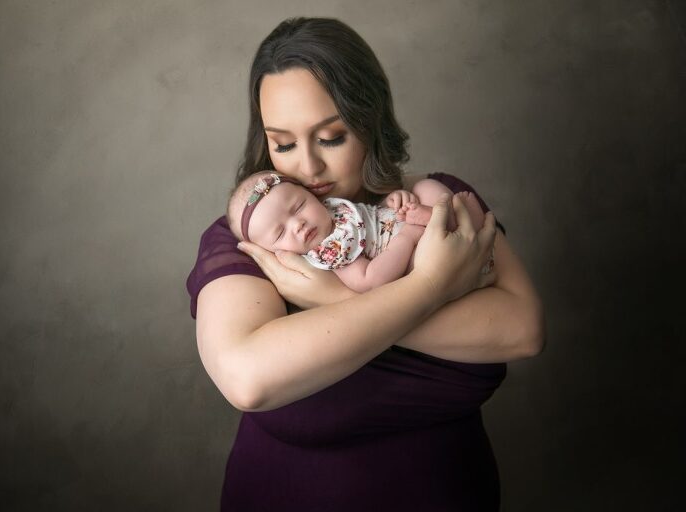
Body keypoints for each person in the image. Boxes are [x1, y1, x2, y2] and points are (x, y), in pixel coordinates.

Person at [186, 17, 544, 511]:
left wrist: (333, 297)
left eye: (330, 137)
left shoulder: (428, 200)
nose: (307, 169)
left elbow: (523, 330)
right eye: (283, 144)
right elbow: (249, 379)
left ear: (370, 120)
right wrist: (433, 284)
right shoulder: (254, 241)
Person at [227, 170, 488, 292]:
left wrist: (396, 200)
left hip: (397, 222)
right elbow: (370, 279)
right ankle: (456, 224)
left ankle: (445, 220)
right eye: (280, 233)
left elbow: (369, 215)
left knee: (426, 187)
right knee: (423, 260)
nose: (298, 225)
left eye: (298, 207)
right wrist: (407, 237)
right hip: (403, 256)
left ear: (310, 194)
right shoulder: (331, 254)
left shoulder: (331, 208)